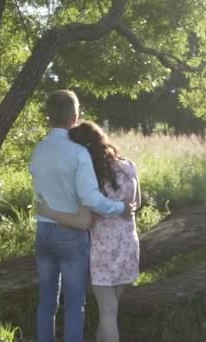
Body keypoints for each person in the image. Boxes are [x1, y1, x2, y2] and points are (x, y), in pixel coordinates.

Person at [29, 90, 135, 342]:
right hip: (71, 233)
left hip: (44, 230)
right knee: (75, 303)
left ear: (48, 117)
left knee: (46, 299)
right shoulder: (79, 153)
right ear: (75, 116)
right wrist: (120, 208)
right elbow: (90, 198)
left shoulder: (39, 151)